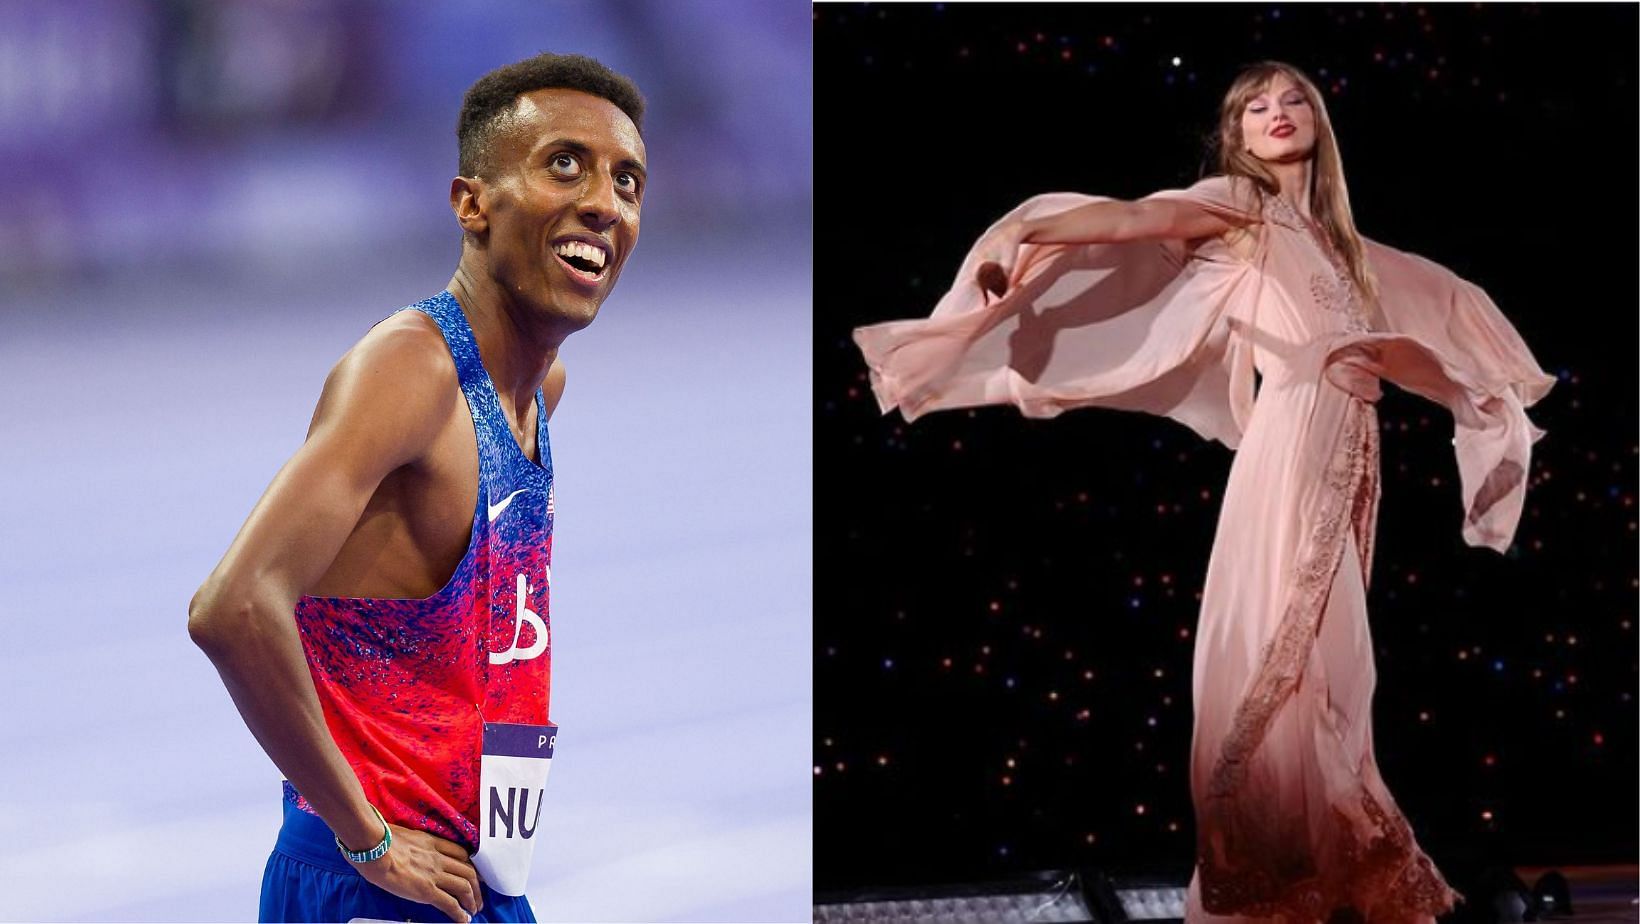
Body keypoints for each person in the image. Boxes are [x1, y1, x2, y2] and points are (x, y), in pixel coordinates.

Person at [854, 61, 1553, 923]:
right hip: (1295, 437)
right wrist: (1021, 238)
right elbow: (1136, 216)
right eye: (1257, 107)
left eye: (1294, 99)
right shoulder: (1242, 204)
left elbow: (1440, 294)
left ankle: (1324, 864)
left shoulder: (1345, 246)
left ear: (1320, 122)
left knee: (1333, 666)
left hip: (1350, 446)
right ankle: (1277, 866)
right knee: (1287, 645)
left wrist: (1493, 380)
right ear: (1239, 137)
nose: (1278, 113)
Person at [188, 52, 646, 923]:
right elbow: (233, 606)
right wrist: (367, 838)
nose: (604, 201)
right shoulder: (411, 372)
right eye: (564, 164)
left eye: (628, 181)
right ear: (472, 203)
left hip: (469, 882)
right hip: (372, 885)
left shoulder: (539, 394)